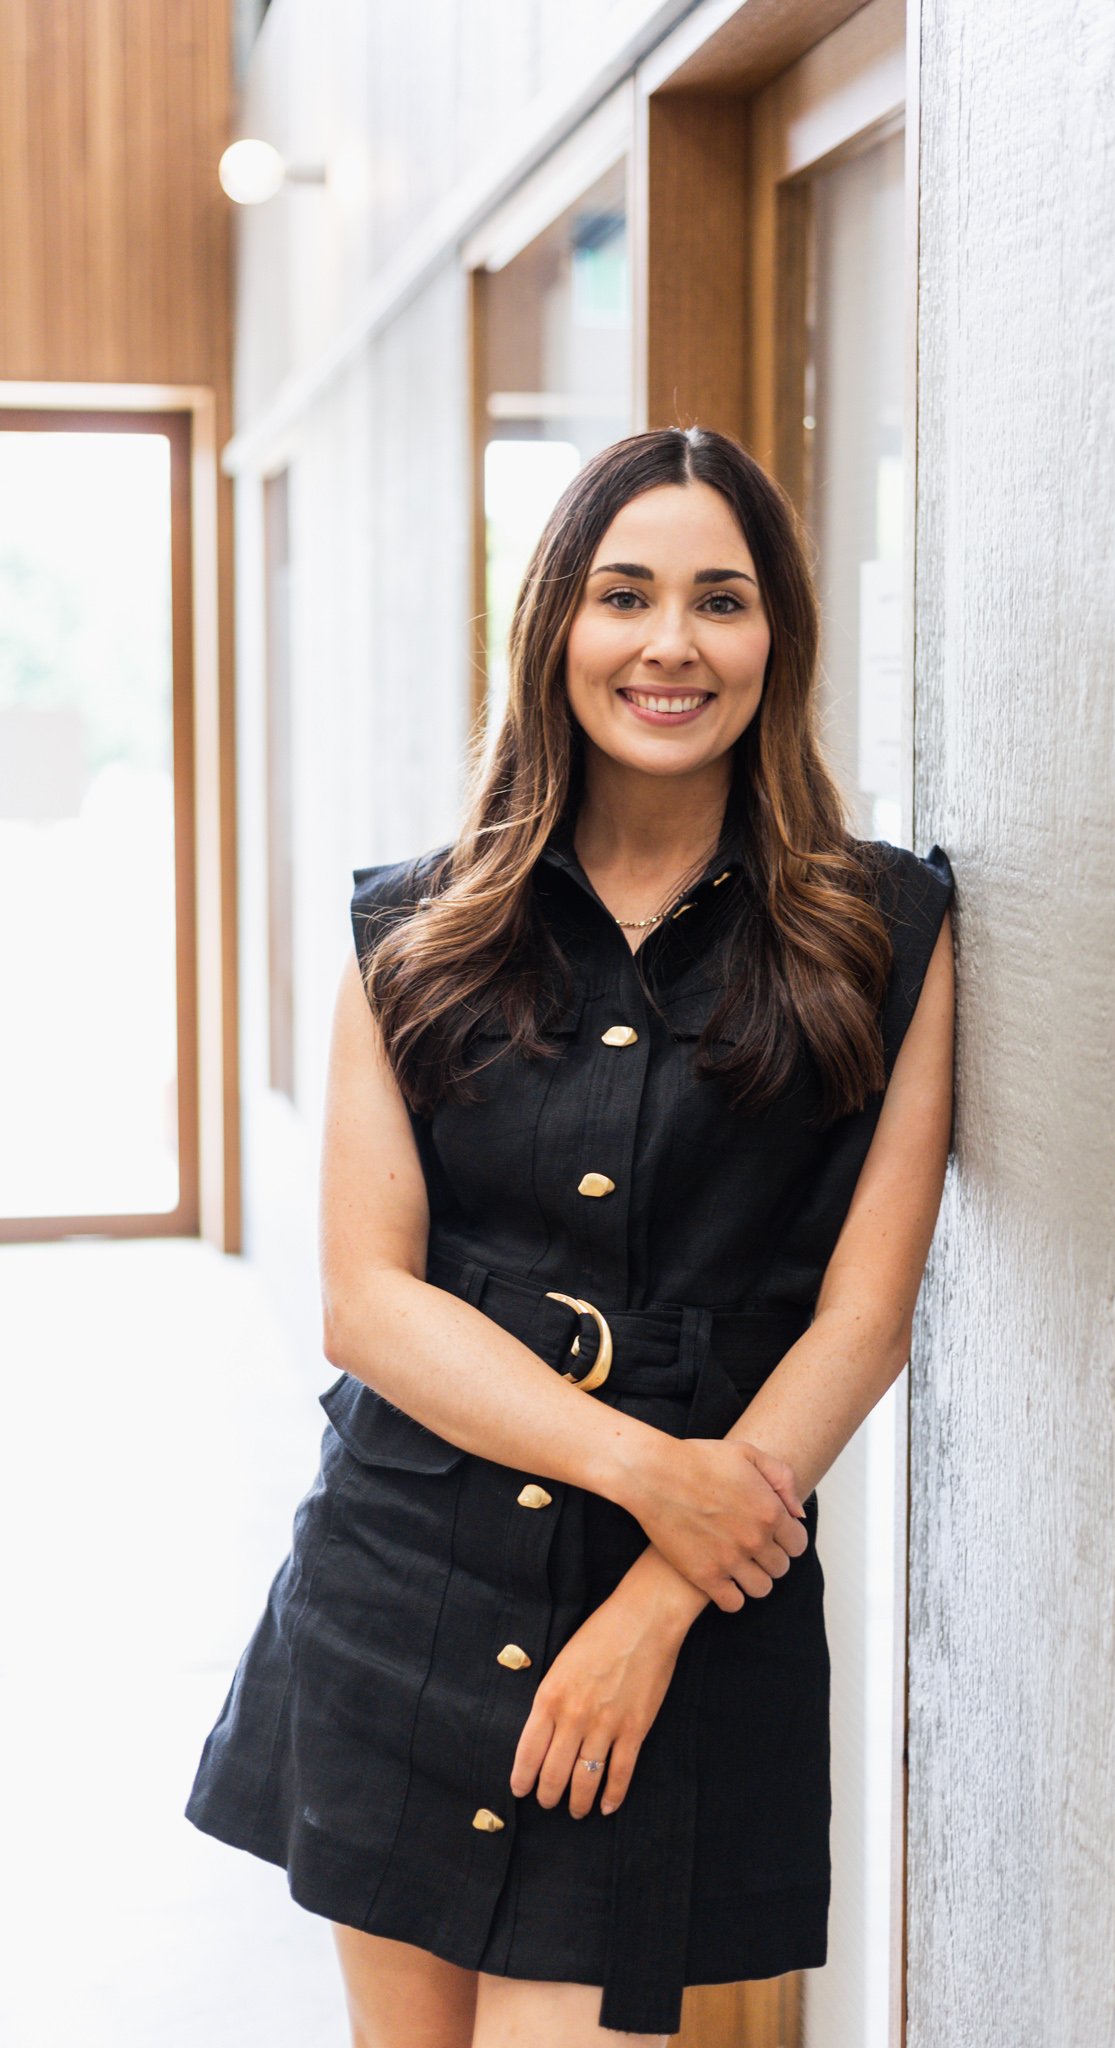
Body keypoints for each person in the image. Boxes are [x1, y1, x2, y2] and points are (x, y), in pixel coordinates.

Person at [184, 423, 955, 2048]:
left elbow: (862, 1321)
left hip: (684, 1613)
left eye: (719, 601)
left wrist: (661, 1589)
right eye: (624, 595)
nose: (670, 643)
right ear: (554, 628)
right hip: (406, 1569)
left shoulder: (881, 933)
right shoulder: (415, 926)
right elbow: (369, 1305)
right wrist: (649, 1469)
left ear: (776, 641)